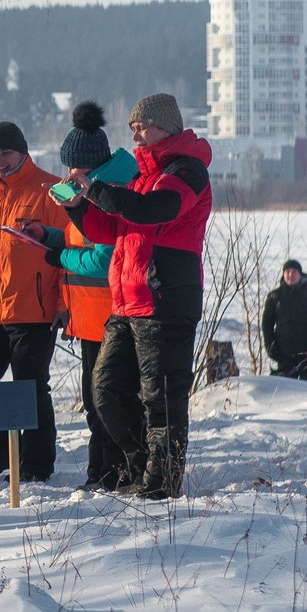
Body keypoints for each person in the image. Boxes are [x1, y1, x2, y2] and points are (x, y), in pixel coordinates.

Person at [63, 93, 213, 499]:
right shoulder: (141, 176)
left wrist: (97, 190)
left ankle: (161, 483)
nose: (136, 134)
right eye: (132, 128)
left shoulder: (188, 171)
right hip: (127, 302)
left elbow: (155, 210)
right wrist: (78, 206)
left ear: (166, 126)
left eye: (142, 127)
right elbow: (108, 230)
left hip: (165, 299)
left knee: (161, 399)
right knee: (106, 390)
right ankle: (143, 463)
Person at [0, 121, 63, 482]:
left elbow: (68, 247)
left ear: (22, 151)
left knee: (29, 387)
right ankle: (1, 453)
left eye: (5, 153)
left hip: (34, 308)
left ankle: (35, 465)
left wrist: (66, 304)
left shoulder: (50, 191)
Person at [51, 103, 140, 490]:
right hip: (87, 317)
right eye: (67, 168)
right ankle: (101, 472)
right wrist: (50, 239)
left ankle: (117, 471)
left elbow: (104, 258)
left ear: (92, 166)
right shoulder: (84, 193)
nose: (70, 175)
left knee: (108, 400)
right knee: (94, 401)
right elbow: (80, 241)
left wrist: (61, 256)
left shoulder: (110, 192)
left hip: (113, 314)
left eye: (75, 169)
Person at [260, 260, 307, 379]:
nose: (290, 274)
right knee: (285, 393)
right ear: (283, 274)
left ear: (300, 275)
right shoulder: (274, 296)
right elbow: (267, 324)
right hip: (283, 354)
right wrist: (272, 349)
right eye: (287, 271)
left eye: (294, 272)